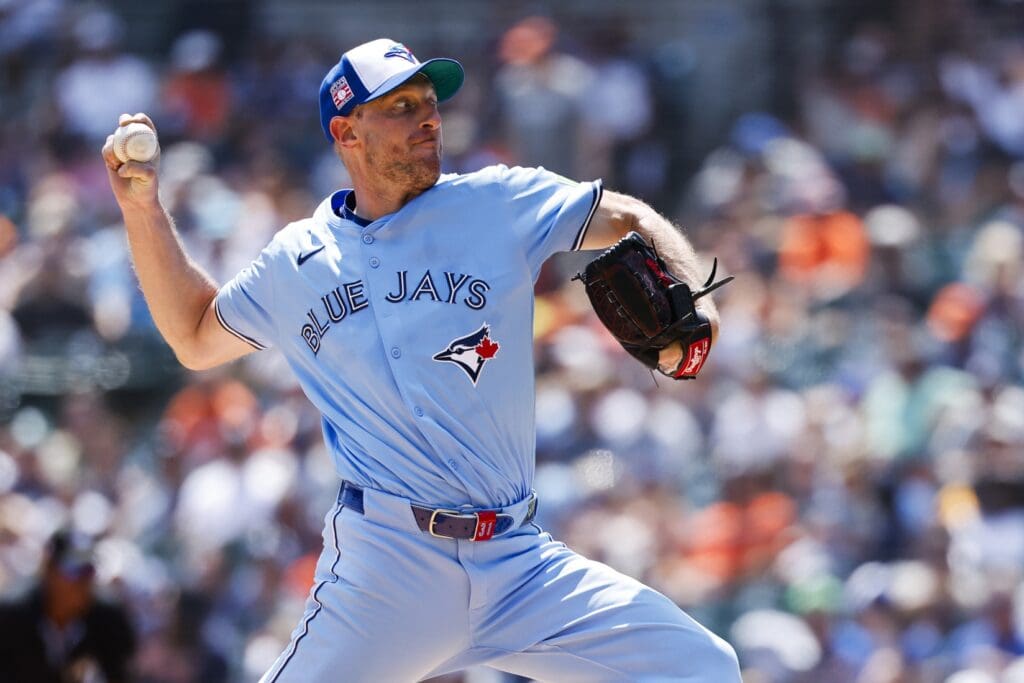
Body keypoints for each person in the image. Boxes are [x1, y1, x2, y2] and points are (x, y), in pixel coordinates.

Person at [102, 37, 741, 682]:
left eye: (431, 103)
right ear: (347, 132)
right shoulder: (296, 260)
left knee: (703, 668)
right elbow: (194, 335)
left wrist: (698, 301)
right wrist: (140, 210)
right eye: (401, 107)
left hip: (519, 562)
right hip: (389, 571)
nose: (429, 119)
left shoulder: (495, 202)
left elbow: (629, 216)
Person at [0, 531, 136, 683]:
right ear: (49, 572)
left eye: (88, 573)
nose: (82, 583)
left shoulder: (108, 621)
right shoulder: (12, 615)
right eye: (75, 573)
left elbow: (120, 673)